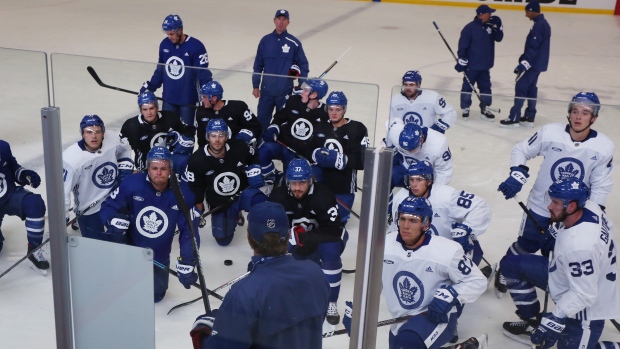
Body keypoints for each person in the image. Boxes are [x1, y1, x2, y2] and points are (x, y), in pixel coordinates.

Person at [495, 92, 614, 297]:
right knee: (527, 243)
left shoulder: (603, 146)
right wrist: (517, 173)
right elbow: (521, 150)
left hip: (571, 212)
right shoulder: (550, 132)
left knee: (562, 253)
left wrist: (589, 218)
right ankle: (505, 270)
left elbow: (600, 185)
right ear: (569, 113)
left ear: (593, 118)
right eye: (575, 111)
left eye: (585, 113)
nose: (578, 117)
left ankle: (563, 292)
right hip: (540, 205)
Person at [343, 197, 487, 349]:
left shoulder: (447, 251)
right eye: (402, 219)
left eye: (413, 220)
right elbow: (373, 282)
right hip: (401, 320)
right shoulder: (383, 246)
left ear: (426, 224)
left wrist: (451, 295)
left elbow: (477, 281)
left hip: (435, 316)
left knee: (407, 344)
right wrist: (357, 307)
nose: (405, 226)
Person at [189, 201, 330, 349]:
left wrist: (205, 331)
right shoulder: (316, 273)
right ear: (289, 235)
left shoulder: (243, 295)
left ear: (249, 237)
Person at [500, 179, 620, 348]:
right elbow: (608, 227)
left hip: (586, 308)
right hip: (566, 275)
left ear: (571, 206)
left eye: (555, 203)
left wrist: (555, 318)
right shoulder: (590, 207)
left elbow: (584, 294)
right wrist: (557, 233)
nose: (549, 207)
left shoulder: (579, 247)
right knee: (511, 264)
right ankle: (533, 321)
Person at [100, 146, 200, 302]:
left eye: (163, 168)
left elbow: (189, 230)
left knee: (157, 296)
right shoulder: (132, 184)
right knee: (126, 292)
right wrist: (113, 219)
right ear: (148, 168)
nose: (158, 172)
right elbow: (109, 205)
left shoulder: (183, 193)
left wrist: (188, 260)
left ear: (170, 170)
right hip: (131, 251)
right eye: (154, 168)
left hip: (159, 255)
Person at [269, 158, 348, 326]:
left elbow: (334, 229)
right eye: (293, 183)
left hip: (323, 240)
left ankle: (331, 302)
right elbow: (270, 226)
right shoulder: (278, 196)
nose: (297, 188)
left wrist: (304, 238)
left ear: (311, 180)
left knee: (331, 250)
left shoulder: (324, 195)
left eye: (302, 183)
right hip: (297, 244)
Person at [390, 160, 492, 270]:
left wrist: (467, 229)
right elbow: (396, 228)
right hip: (419, 250)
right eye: (411, 179)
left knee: (469, 250)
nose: (414, 184)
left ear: (429, 181)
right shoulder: (400, 198)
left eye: (419, 179)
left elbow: (480, 206)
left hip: (449, 249)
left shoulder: (446, 195)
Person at [185, 118, 267, 246]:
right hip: (220, 201)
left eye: (221, 135)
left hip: (243, 193)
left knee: (262, 204)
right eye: (213, 136)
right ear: (207, 137)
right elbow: (196, 187)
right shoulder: (197, 160)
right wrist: (197, 207)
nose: (217, 140)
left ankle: (259, 229)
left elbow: (253, 155)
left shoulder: (239, 147)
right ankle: (234, 215)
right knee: (223, 240)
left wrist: (254, 168)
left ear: (226, 136)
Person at [63, 115, 133, 241]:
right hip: (89, 210)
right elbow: (62, 190)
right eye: (89, 132)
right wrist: (63, 215)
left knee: (123, 241)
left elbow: (125, 149)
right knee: (95, 248)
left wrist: (124, 171)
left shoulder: (112, 139)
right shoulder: (71, 159)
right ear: (82, 134)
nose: (94, 136)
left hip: (114, 199)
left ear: (103, 132)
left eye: (97, 132)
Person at [140, 14, 212, 130]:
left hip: (188, 101)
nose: (169, 37)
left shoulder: (196, 47)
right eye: (167, 34)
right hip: (169, 99)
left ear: (180, 30)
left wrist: (208, 95)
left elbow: (203, 75)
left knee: (186, 133)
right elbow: (161, 70)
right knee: (167, 132)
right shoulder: (164, 45)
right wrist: (151, 86)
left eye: (172, 34)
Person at [309, 91, 369, 225]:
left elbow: (362, 160)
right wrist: (315, 153)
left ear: (344, 110)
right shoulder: (320, 126)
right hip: (322, 179)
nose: (334, 113)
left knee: (337, 222)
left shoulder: (357, 128)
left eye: (338, 109)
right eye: (331, 109)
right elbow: (308, 149)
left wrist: (341, 160)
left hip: (343, 183)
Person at [258, 78, 329, 190]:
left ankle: (282, 179)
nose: (302, 92)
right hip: (283, 145)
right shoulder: (293, 101)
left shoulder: (325, 113)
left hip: (299, 155)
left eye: (306, 91)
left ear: (314, 94)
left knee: (289, 184)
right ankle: (271, 177)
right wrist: (273, 128)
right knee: (263, 151)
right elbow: (279, 117)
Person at [252, 9, 309, 130]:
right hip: (266, 92)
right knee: (261, 122)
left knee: (283, 124)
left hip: (285, 93)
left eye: (284, 19)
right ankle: (260, 147)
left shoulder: (294, 43)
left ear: (288, 22)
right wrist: (255, 85)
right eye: (279, 19)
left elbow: (303, 65)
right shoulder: (265, 41)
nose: (281, 22)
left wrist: (303, 87)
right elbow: (258, 65)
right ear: (274, 21)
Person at [500, 0, 551, 128]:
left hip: (532, 64)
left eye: (527, 12)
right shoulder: (542, 23)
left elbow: (533, 47)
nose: (526, 15)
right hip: (538, 63)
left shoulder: (539, 25)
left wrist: (525, 62)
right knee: (531, 89)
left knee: (521, 87)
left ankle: (514, 118)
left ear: (533, 11)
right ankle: (529, 116)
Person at [0, 140, 48, 275]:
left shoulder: (3, 146)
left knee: (34, 203)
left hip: (9, 195)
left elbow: (13, 167)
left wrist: (25, 175)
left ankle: (34, 250)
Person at [119, 91, 195, 174]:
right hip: (145, 169)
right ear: (140, 110)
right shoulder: (131, 126)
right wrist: (128, 170)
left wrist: (181, 142)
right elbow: (120, 150)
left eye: (151, 108)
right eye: (145, 109)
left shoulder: (171, 117)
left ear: (157, 108)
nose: (149, 113)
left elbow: (189, 134)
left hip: (170, 165)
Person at [455, 5, 503, 120]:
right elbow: (462, 46)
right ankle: (465, 107)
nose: (491, 15)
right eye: (489, 13)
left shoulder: (490, 27)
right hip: (471, 66)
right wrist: (462, 58)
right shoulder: (469, 28)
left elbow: (499, 38)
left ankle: (485, 107)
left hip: (485, 66)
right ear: (482, 14)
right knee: (467, 87)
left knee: (486, 87)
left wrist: (499, 27)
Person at [194, 81, 262, 151]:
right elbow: (201, 139)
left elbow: (256, 127)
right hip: (214, 153)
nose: (202, 100)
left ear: (214, 98)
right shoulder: (201, 112)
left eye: (205, 97)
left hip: (237, 151)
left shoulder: (238, 107)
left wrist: (247, 134)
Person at [388, 70, 456, 134]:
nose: (408, 88)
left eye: (411, 85)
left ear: (419, 85)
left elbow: (450, 112)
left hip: (429, 140)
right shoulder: (395, 100)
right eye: (405, 84)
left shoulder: (432, 97)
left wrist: (438, 127)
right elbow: (392, 124)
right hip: (405, 141)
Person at [388, 122, 453, 189]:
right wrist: (391, 149)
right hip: (404, 167)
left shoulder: (439, 144)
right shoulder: (394, 132)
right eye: (405, 149)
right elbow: (390, 127)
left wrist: (435, 190)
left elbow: (444, 170)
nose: (409, 152)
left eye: (412, 149)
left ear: (421, 140)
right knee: (385, 177)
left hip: (424, 175)